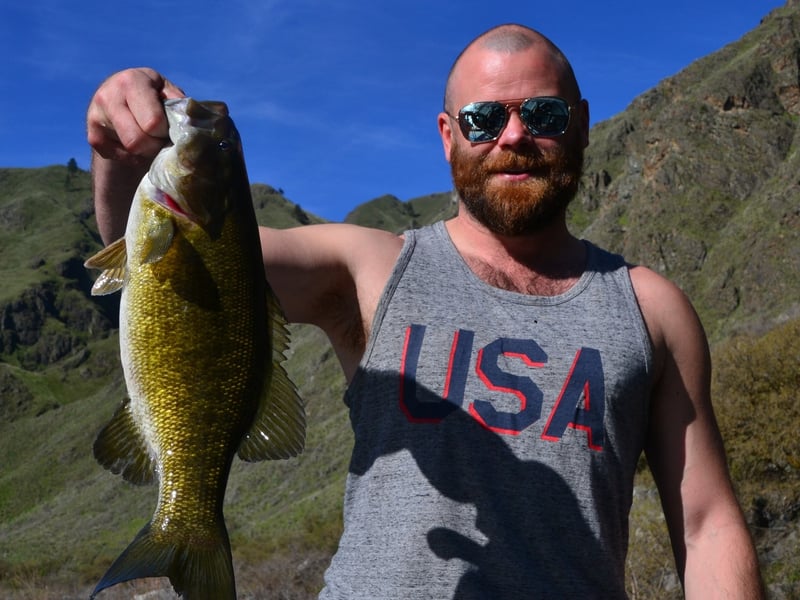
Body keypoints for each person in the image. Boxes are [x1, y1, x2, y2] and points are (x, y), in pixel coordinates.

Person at [86, 24, 763, 599]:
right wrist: (116, 148)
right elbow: (189, 267)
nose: (514, 136)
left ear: (582, 125)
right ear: (447, 135)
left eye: (545, 115)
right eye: (484, 119)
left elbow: (707, 524)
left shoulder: (652, 308)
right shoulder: (369, 265)